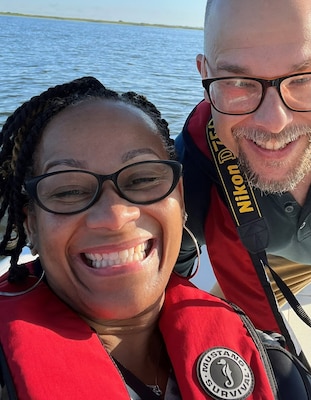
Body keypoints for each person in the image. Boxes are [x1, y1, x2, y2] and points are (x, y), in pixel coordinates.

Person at [0, 76, 281, 399]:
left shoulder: (272, 364)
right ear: (31, 224)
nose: (116, 216)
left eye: (143, 178)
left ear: (180, 198)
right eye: (70, 190)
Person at [175, 0, 311, 362]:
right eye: (238, 82)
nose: (274, 121)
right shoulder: (189, 178)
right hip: (269, 259)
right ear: (205, 77)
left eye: (304, 78)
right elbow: (164, 288)